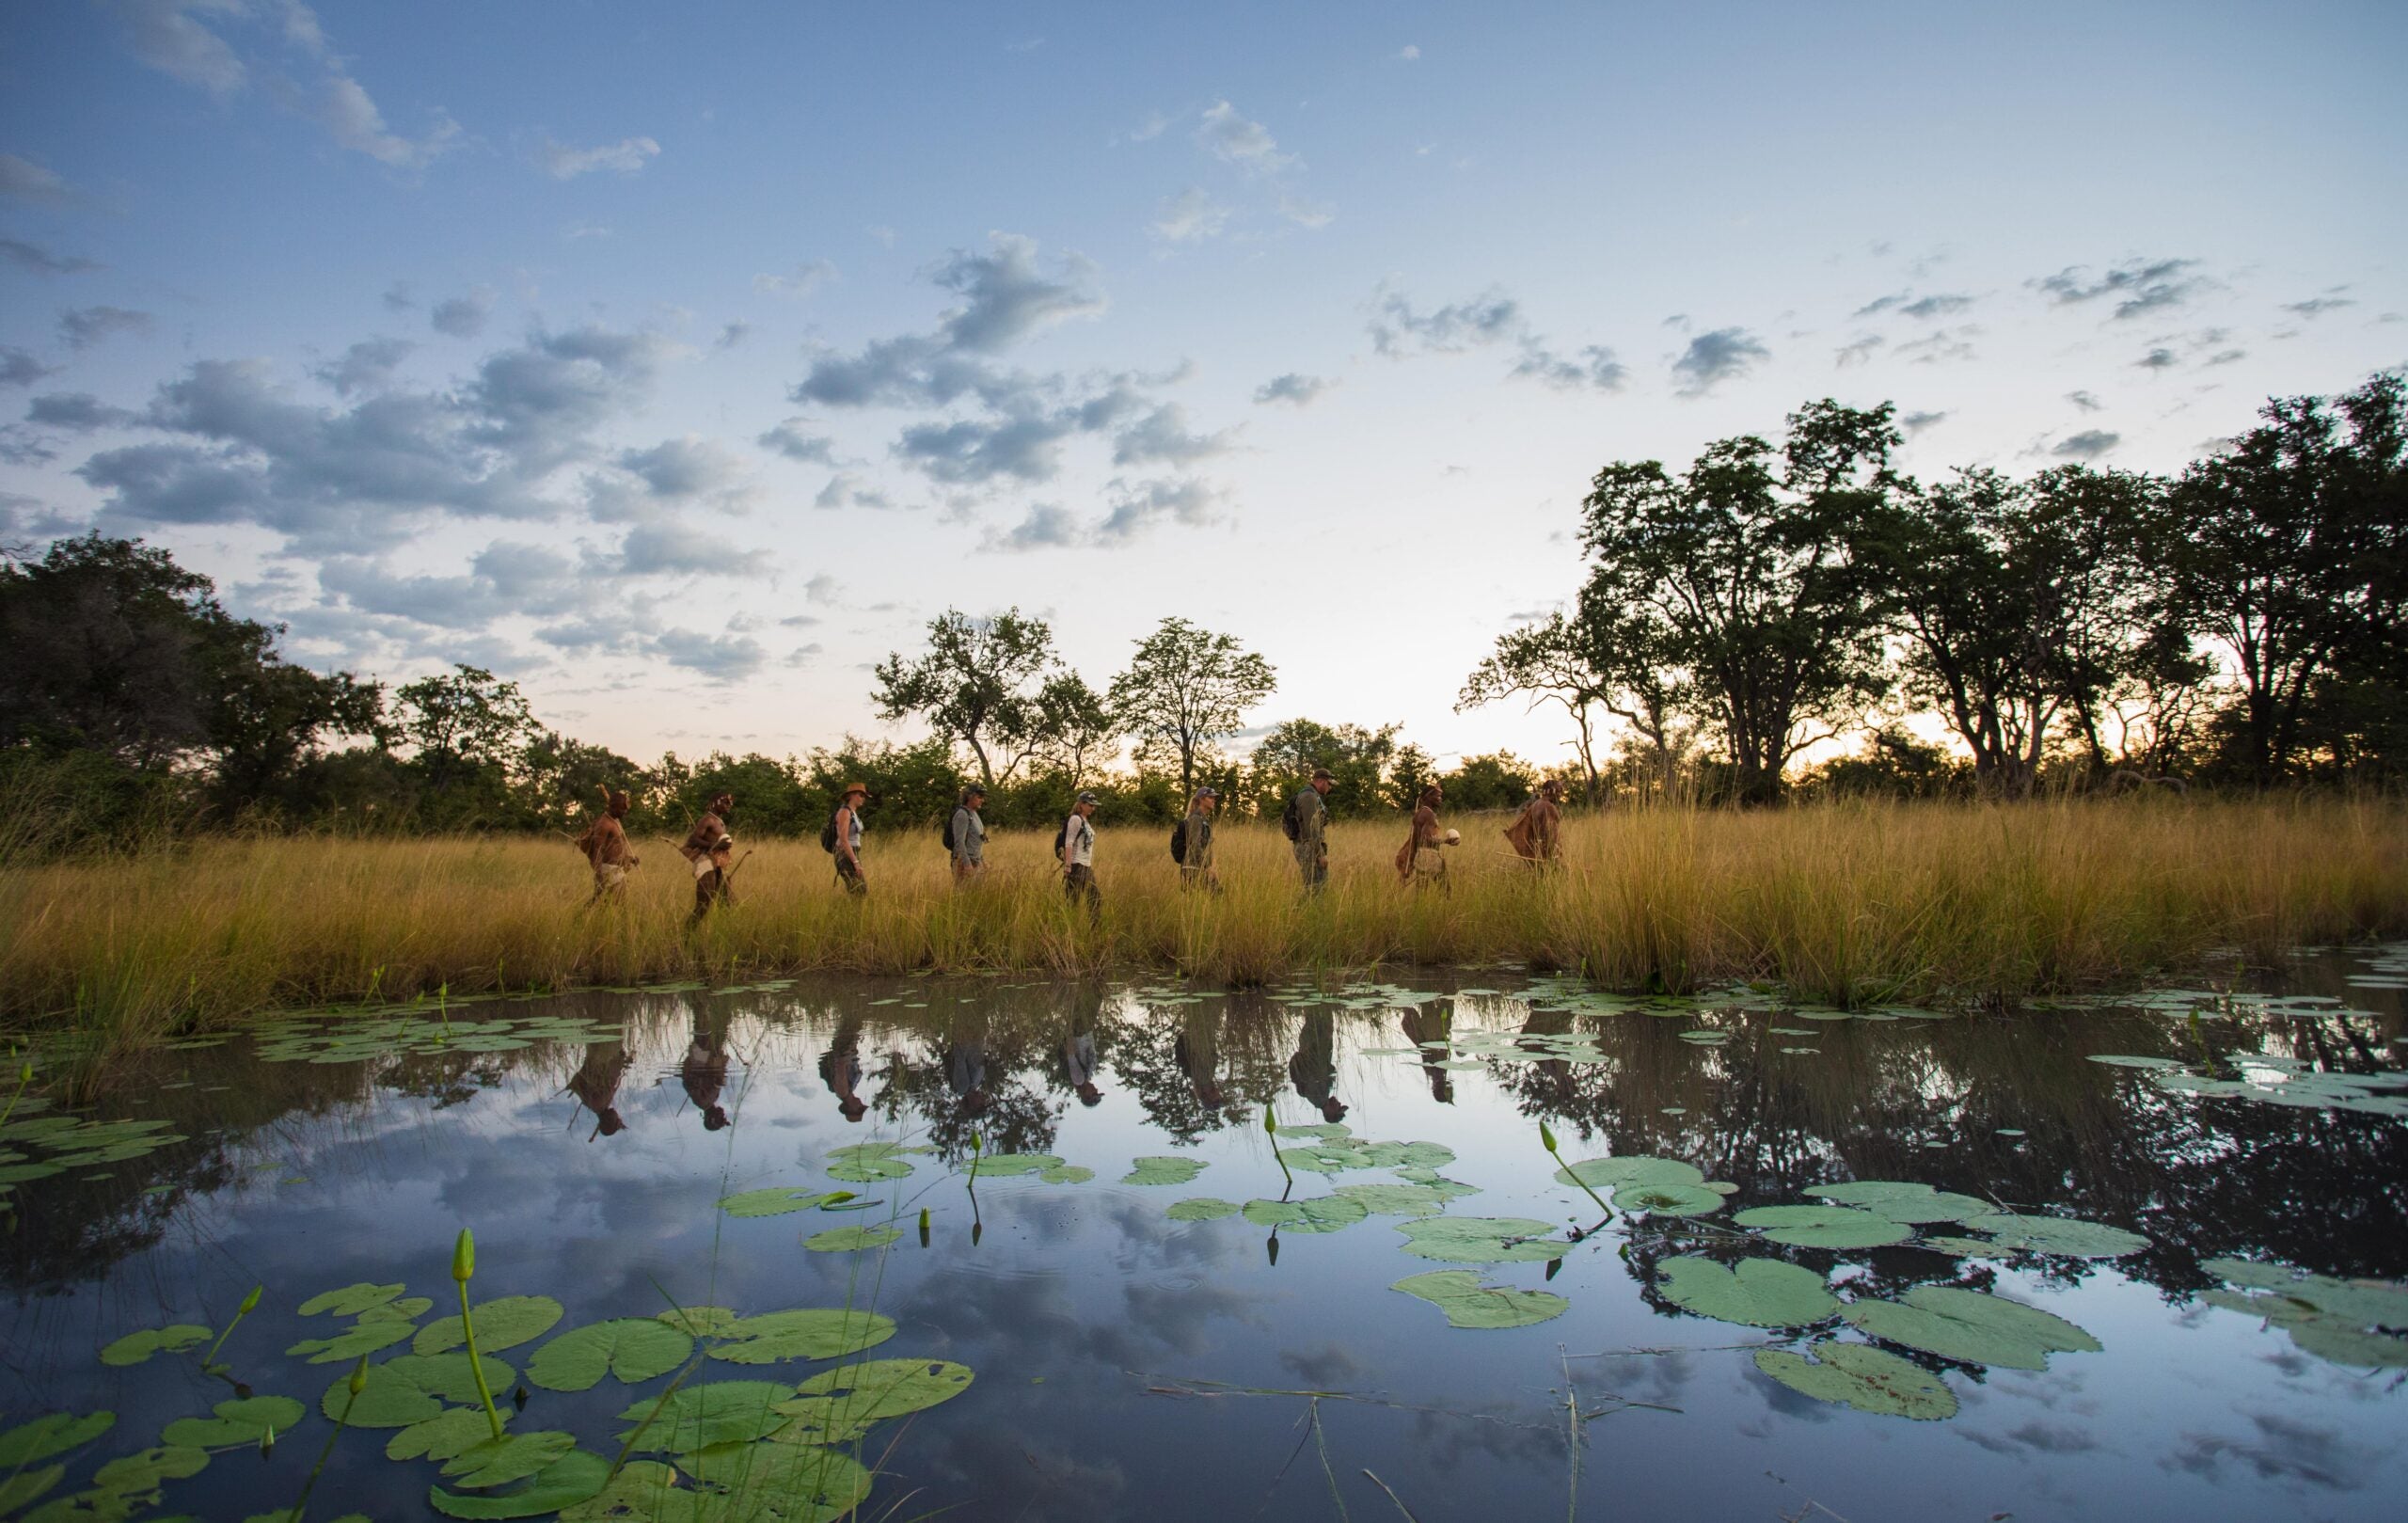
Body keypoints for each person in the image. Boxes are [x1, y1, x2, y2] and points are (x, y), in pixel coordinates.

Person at [574, 785, 640, 904]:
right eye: (622, 809)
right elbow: (597, 850)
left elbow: (615, 847)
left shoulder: (614, 822)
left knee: (606, 904)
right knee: (612, 904)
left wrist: (630, 859)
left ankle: (585, 917)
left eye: (625, 809)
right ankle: (584, 917)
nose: (625, 811)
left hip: (617, 869)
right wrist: (599, 874)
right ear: (613, 807)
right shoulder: (604, 824)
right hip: (607, 870)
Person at [681, 792, 737, 921]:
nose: (730, 805)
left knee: (726, 901)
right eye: (726, 802)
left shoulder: (719, 821)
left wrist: (721, 846)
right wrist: (715, 844)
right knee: (703, 906)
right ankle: (686, 936)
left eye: (731, 802)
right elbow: (693, 839)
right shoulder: (707, 820)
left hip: (717, 864)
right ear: (715, 803)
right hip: (706, 864)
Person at [1288, 1008, 1346, 1123]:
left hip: (1314, 1038)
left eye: (1338, 1108)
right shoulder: (1320, 1097)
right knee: (1317, 1010)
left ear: (1330, 1112)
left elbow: (1313, 1067)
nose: (1339, 1103)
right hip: (1312, 1038)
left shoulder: (1318, 1096)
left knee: (1320, 1008)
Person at [565, 1039, 631, 1139]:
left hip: (603, 1049)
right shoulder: (598, 1105)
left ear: (610, 1120)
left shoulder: (599, 1102)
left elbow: (611, 1073)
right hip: (599, 1053)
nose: (618, 1116)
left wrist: (621, 1060)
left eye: (617, 1119)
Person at [681, 1008, 732, 1131]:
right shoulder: (708, 1101)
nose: (724, 1115)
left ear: (712, 1118)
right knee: (716, 1027)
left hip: (702, 1060)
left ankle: (700, 998)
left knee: (703, 1025)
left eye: (722, 1118)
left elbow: (688, 1083)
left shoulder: (702, 1102)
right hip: (706, 1059)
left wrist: (709, 1079)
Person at [1395, 783, 1451, 890]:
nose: (1440, 799)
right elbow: (1424, 839)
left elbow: (1415, 839)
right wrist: (1446, 841)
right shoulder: (1429, 814)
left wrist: (1412, 858)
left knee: (1421, 892)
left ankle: (1419, 906)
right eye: (1438, 796)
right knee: (1446, 890)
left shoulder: (1419, 813)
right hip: (1430, 856)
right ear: (1429, 797)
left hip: (1420, 855)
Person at [1288, 767, 1334, 894]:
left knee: (1315, 887)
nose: (1330, 787)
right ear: (1321, 781)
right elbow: (1312, 828)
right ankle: (1303, 912)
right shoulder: (1309, 797)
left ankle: (1306, 911)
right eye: (1329, 784)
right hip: (1309, 848)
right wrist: (1320, 854)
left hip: (1308, 846)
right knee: (1315, 888)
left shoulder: (1311, 795)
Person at [1504, 778, 1566, 867]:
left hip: (1538, 851)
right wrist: (1555, 856)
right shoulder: (1548, 806)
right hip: (1547, 853)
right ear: (1553, 791)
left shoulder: (1536, 804)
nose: (1560, 794)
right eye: (1559, 790)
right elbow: (1551, 833)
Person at [820, 1014, 868, 1122]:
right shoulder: (848, 1090)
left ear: (850, 1108)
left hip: (844, 1047)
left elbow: (840, 1064)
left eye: (859, 1108)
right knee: (853, 1019)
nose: (861, 1105)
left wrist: (850, 1047)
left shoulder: (842, 1091)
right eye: (861, 1108)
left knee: (852, 1017)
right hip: (847, 1046)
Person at [1060, 788, 1101, 917]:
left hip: (1086, 865)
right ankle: (1069, 930)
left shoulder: (1085, 820)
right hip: (1076, 865)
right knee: (1073, 900)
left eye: (1094, 805)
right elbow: (1069, 842)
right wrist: (1068, 865)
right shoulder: (1075, 819)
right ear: (1081, 804)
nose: (1093, 808)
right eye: (1090, 805)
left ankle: (1092, 929)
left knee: (1094, 898)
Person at [1179, 786, 1220, 892]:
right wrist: (1207, 867)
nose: (1213, 800)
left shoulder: (1203, 819)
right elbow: (1195, 845)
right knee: (1199, 901)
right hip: (1193, 868)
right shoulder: (1196, 818)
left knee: (1216, 896)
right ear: (1202, 799)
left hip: (1201, 868)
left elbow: (1206, 847)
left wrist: (1212, 865)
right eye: (1210, 797)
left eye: (1214, 798)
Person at [832, 783, 869, 896]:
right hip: (845, 854)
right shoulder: (845, 812)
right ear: (851, 796)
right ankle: (852, 912)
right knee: (858, 890)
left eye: (864, 796)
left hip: (852, 852)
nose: (863, 798)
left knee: (859, 889)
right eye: (860, 795)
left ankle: (853, 912)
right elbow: (843, 840)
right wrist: (855, 862)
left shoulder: (853, 812)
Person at [949, 785, 988, 884]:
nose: (982, 800)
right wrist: (966, 864)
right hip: (964, 862)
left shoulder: (974, 813)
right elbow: (959, 842)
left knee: (976, 896)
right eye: (979, 797)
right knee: (963, 896)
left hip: (975, 861)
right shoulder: (962, 814)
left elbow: (976, 839)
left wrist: (982, 862)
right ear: (970, 797)